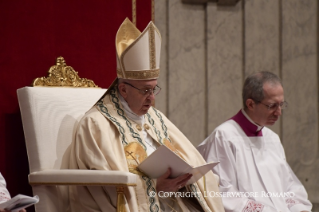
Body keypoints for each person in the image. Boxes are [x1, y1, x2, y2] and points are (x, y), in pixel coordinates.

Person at [68, 18, 224, 212]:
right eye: (145, 90)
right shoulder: (95, 125)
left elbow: (190, 159)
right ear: (123, 90)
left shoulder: (155, 118)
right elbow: (102, 188)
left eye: (154, 89)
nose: (151, 98)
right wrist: (154, 189)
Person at [197, 71, 312, 212]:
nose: (279, 112)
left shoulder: (272, 138)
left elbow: (288, 186)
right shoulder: (224, 137)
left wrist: (299, 208)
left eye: (281, 104)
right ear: (250, 104)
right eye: (272, 106)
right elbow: (220, 191)